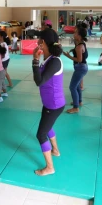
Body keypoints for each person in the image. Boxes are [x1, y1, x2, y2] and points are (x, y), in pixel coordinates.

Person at [32, 28, 65, 176]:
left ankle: (50, 167)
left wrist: (34, 60)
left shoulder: (55, 62)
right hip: (50, 103)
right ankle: (55, 151)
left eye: (39, 39)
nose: (37, 41)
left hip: (54, 104)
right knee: (47, 126)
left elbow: (39, 81)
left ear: (43, 42)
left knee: (41, 134)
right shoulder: (49, 59)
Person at [63, 24, 89, 113]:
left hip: (80, 68)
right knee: (77, 86)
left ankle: (75, 107)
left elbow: (79, 59)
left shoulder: (79, 46)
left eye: (75, 33)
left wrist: (68, 56)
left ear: (79, 35)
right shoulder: (81, 43)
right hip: (82, 67)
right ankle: (79, 101)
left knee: (72, 87)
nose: (74, 35)